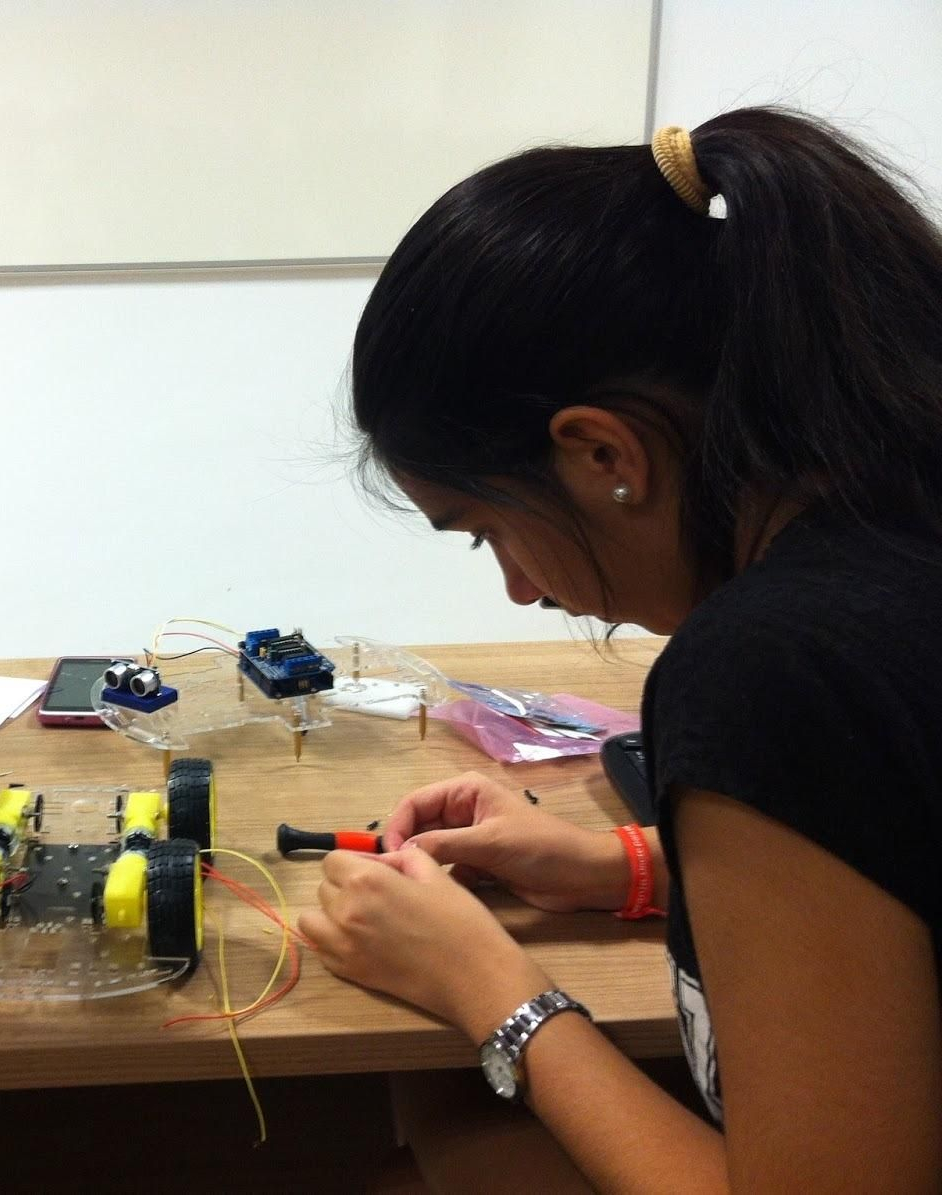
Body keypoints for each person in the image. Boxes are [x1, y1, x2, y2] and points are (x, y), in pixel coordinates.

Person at [299, 108, 942, 1192]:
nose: (517, 585)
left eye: (484, 527)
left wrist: (491, 988)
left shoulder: (768, 666)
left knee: (436, 1106)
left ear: (604, 452)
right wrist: (627, 866)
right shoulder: (900, 521)